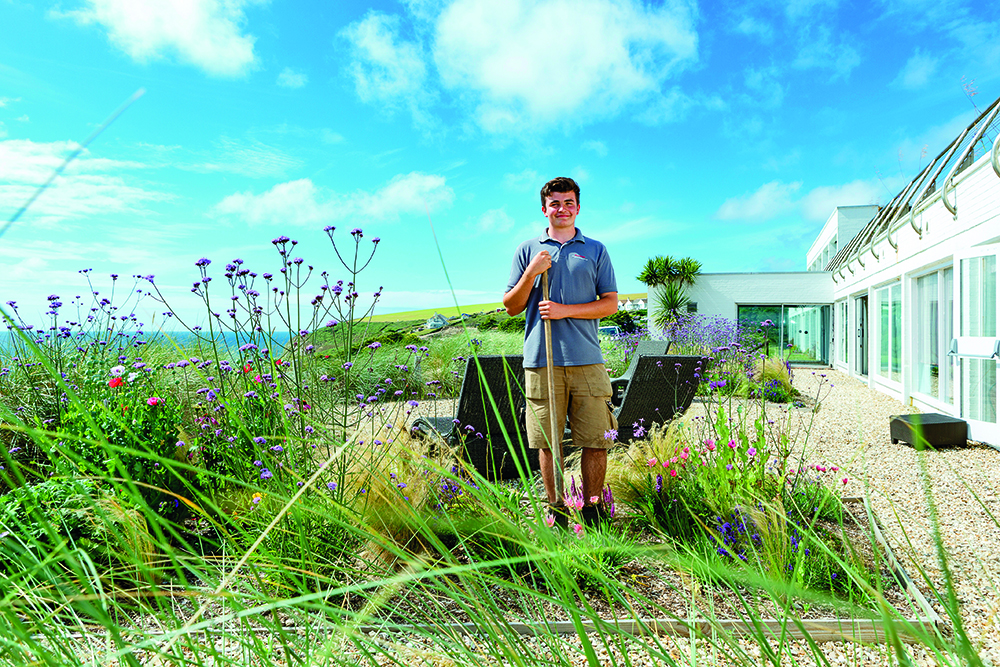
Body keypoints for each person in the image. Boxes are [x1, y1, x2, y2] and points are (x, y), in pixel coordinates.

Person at [502, 176, 618, 525]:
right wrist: (531, 273)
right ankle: (557, 512)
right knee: (547, 442)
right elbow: (511, 306)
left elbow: (610, 304)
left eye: (568, 203)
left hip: (587, 360)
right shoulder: (527, 250)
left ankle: (593, 513)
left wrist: (565, 310)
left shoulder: (595, 250)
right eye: (555, 203)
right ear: (545, 209)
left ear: (578, 208)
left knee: (596, 440)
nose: (562, 209)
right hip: (542, 360)